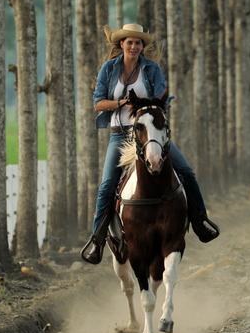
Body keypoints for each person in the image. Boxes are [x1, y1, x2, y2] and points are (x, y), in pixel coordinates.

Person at [80, 23, 220, 265]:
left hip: (150, 134)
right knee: (106, 185)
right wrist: (122, 103)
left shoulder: (152, 68)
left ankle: (200, 221)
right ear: (121, 44)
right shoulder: (108, 69)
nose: (134, 46)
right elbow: (98, 103)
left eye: (138, 43)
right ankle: (98, 239)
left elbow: (162, 98)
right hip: (120, 135)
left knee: (186, 171)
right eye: (129, 42)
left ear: (143, 46)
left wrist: (146, 110)